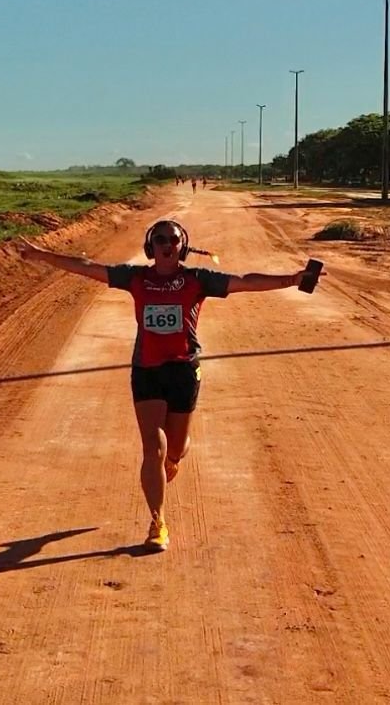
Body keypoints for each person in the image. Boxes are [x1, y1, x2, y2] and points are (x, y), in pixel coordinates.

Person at [17, 219, 320, 551]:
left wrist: (291, 279)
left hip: (183, 371)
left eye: (172, 239)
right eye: (160, 239)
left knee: (172, 449)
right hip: (146, 370)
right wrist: (40, 255)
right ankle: (157, 522)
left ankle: (176, 456)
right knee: (153, 447)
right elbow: (88, 267)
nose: (166, 244)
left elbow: (245, 282)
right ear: (151, 247)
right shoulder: (135, 278)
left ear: (181, 247)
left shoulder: (197, 280)